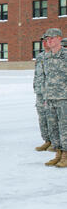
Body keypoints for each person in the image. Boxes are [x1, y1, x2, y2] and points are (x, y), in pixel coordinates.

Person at [42, 28, 67, 168]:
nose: (48, 41)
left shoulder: (65, 55)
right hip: (50, 97)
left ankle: (65, 155)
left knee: (65, 128)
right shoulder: (47, 57)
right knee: (53, 128)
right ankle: (58, 153)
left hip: (64, 98)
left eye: (51, 38)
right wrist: (46, 96)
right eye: (47, 39)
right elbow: (46, 78)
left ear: (59, 38)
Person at [34, 34, 52, 151]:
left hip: (52, 93)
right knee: (42, 117)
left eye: (47, 40)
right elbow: (37, 74)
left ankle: (57, 143)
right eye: (43, 41)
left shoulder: (56, 56)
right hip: (40, 92)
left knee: (53, 118)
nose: (44, 43)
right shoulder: (40, 57)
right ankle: (47, 140)